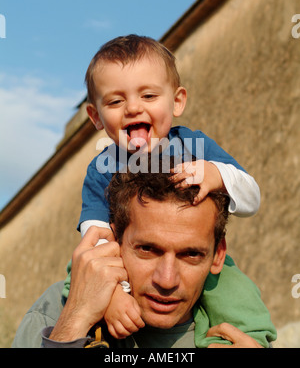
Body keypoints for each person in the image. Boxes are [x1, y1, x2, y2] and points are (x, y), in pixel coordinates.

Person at [61, 34, 271, 342]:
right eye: (116, 101)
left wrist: (217, 174)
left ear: (177, 101)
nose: (133, 108)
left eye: (148, 96)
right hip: (126, 266)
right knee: (76, 274)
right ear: (95, 117)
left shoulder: (195, 145)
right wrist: (113, 295)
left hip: (199, 266)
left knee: (236, 292)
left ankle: (240, 339)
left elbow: (252, 198)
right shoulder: (101, 169)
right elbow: (95, 238)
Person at [12, 168, 276, 347]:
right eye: (148, 250)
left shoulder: (241, 336)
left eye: (191, 254)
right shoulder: (55, 313)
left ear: (218, 255)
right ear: (115, 243)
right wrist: (75, 322)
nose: (167, 279)